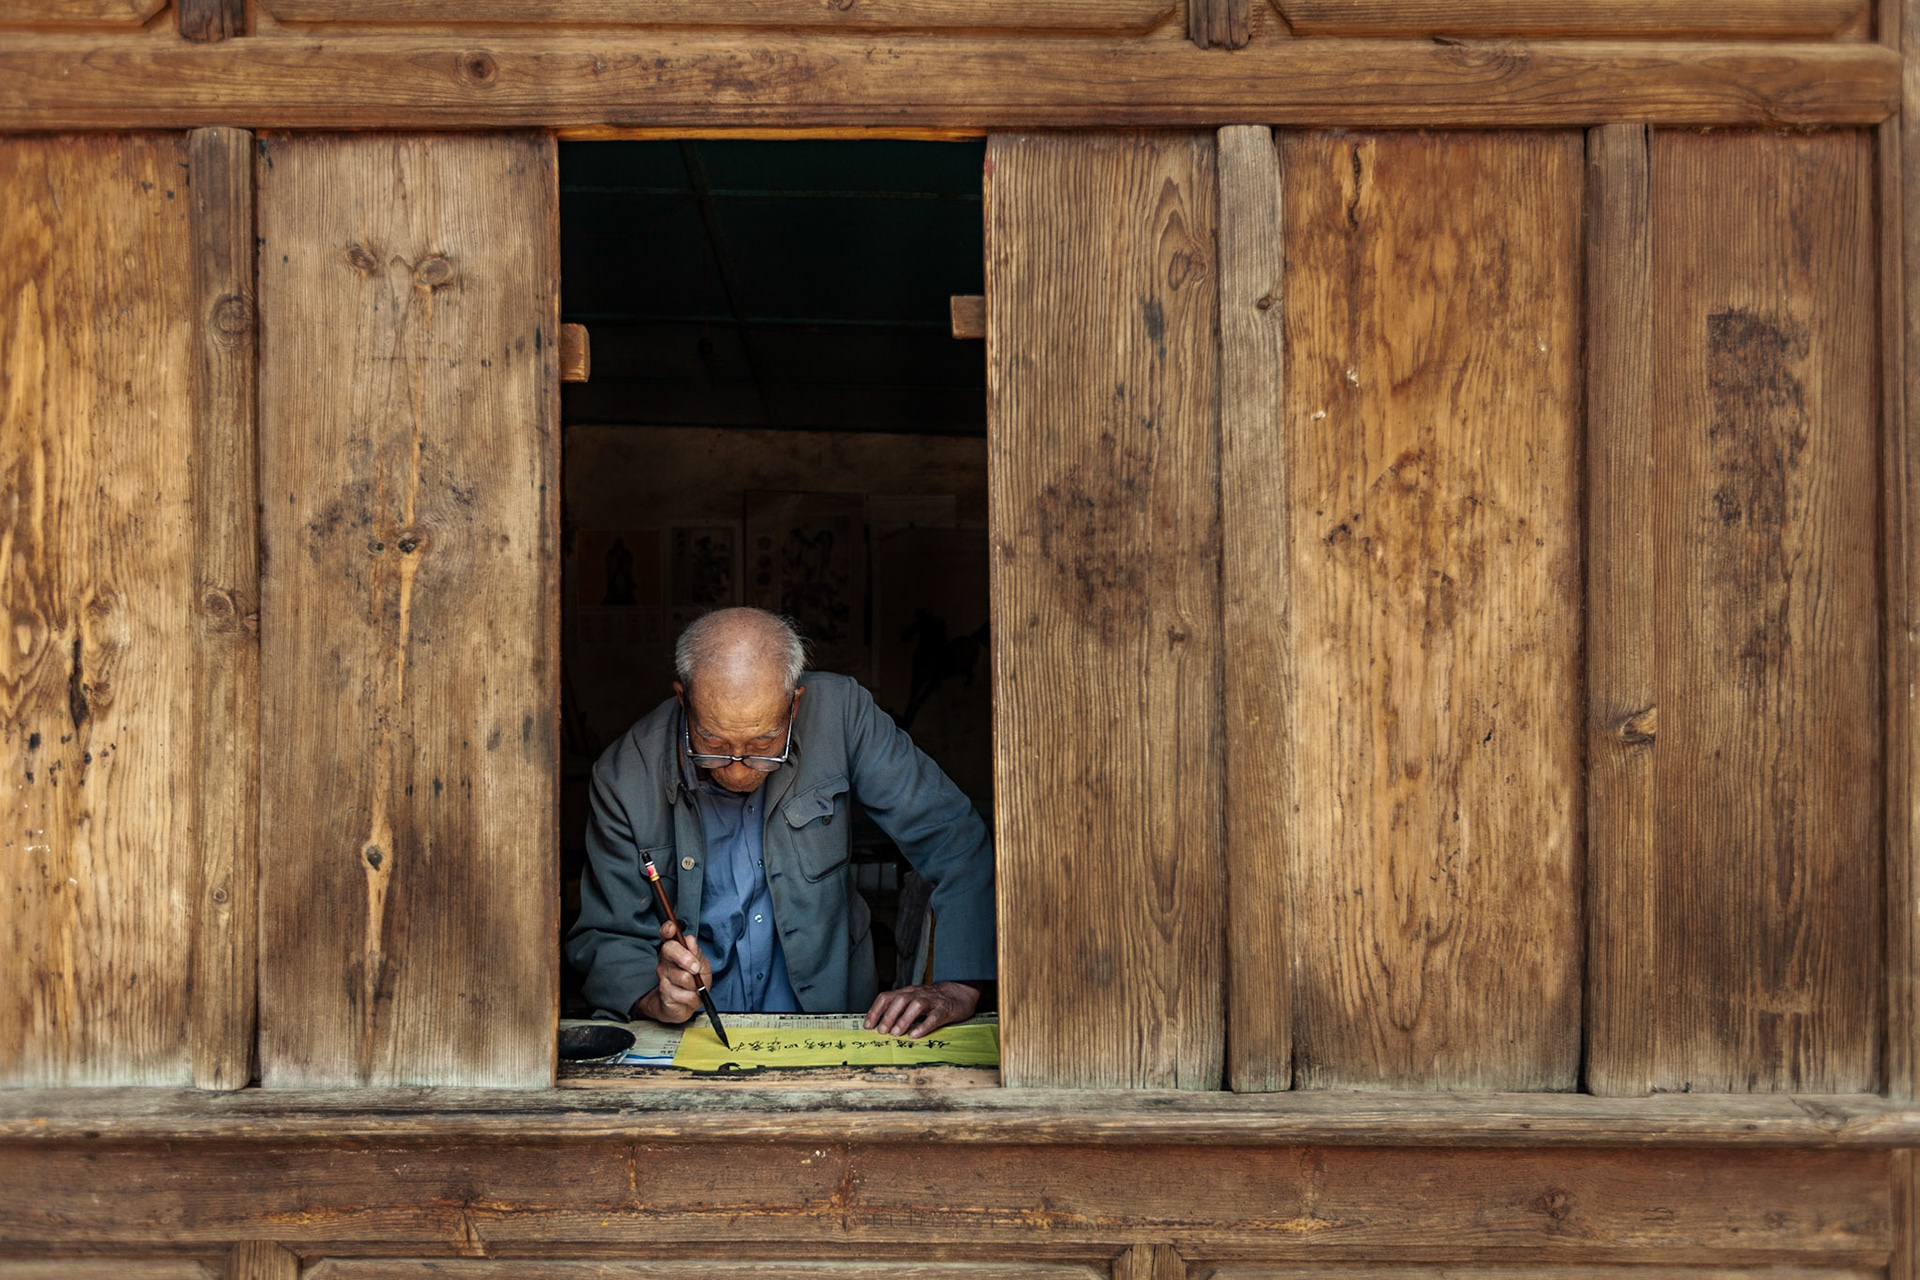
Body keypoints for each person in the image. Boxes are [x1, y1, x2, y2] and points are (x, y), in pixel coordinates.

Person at [566, 607, 995, 1039]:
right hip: (693, 1037)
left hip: (832, 1025)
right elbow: (604, 936)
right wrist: (655, 998)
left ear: (794, 704)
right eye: (713, 743)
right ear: (683, 700)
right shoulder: (624, 774)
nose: (736, 770)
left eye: (762, 743)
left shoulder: (843, 715)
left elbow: (953, 836)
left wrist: (959, 984)